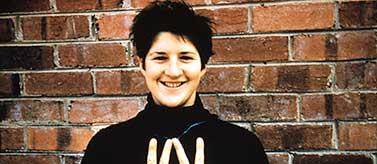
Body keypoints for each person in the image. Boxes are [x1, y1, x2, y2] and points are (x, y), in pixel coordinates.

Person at [81, 1, 269, 163]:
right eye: (160, 57)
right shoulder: (107, 147)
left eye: (185, 57)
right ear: (142, 64)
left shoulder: (242, 147)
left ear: (203, 66)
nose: (173, 71)